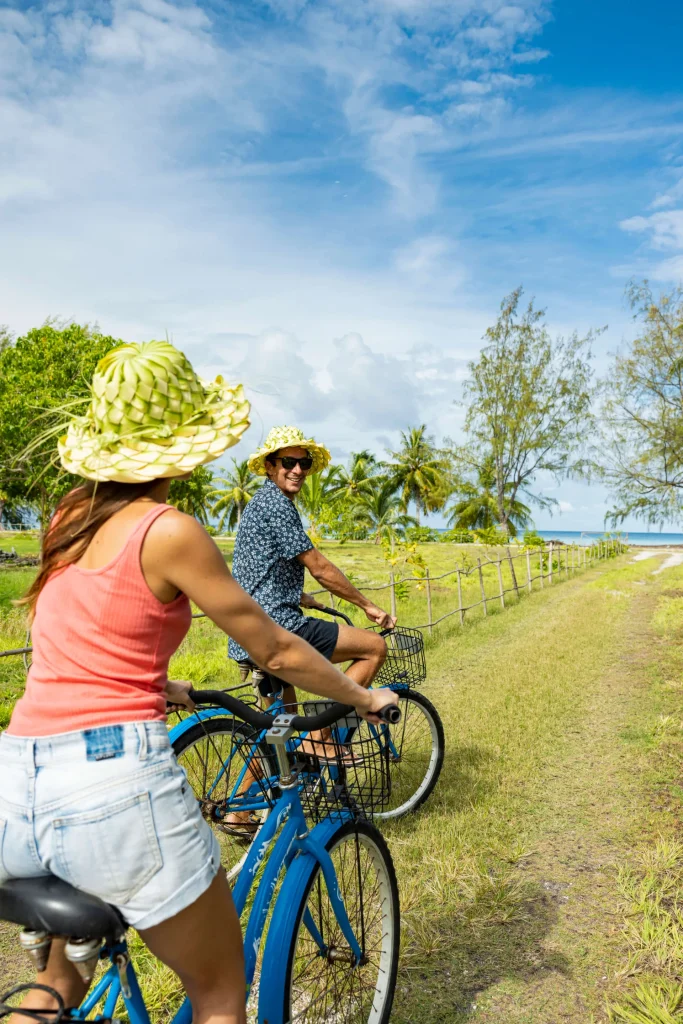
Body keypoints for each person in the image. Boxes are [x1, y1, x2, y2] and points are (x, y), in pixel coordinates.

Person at [0, 342, 398, 1024]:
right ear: (182, 448)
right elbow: (274, 648)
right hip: (110, 789)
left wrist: (158, 682)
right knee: (218, 996)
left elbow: (73, 634)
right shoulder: (170, 529)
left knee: (57, 987)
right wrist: (363, 696)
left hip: (17, 783)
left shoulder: (69, 516)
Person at [228, 425, 396, 715]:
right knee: (374, 647)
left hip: (251, 629)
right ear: (269, 466)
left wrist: (298, 595)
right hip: (279, 627)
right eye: (288, 462)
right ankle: (322, 741)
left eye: (303, 463)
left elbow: (259, 565)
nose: (297, 470)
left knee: (282, 731)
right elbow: (319, 567)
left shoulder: (262, 502)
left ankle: (284, 757)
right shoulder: (276, 505)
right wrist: (369, 606)